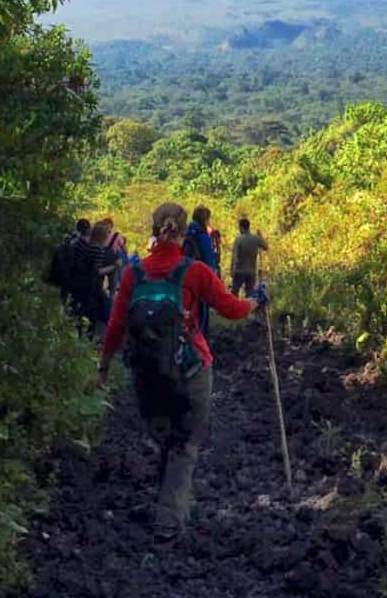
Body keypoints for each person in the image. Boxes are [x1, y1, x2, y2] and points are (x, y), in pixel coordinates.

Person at [96, 202, 268, 542]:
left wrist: (103, 368)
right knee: (185, 446)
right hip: (190, 369)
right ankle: (169, 520)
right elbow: (232, 309)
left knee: (164, 439)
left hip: (147, 374)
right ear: (183, 229)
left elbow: (115, 325)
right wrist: (256, 301)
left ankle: (170, 502)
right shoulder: (196, 272)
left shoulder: (134, 273)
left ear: (154, 228)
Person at [183, 206, 221, 338]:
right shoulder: (203, 236)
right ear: (205, 219)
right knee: (202, 312)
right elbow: (210, 262)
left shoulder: (186, 233)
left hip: (184, 278)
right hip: (200, 278)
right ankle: (201, 342)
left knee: (189, 312)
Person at [45, 218, 91, 317]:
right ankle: (68, 318)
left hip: (64, 272)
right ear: (87, 229)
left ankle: (60, 317)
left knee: (64, 297)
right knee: (73, 301)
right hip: (74, 275)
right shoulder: (83, 243)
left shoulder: (68, 238)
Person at [230, 217, 269, 297]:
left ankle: (234, 309)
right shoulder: (255, 238)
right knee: (250, 294)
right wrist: (260, 236)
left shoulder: (239, 239)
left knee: (234, 293)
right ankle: (248, 309)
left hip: (239, 270)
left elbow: (234, 256)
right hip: (251, 271)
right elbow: (266, 247)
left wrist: (232, 269)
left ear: (241, 227)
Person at [97, 217, 128, 296]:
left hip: (101, 261)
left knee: (99, 284)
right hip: (112, 262)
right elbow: (124, 249)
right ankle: (111, 303)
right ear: (112, 226)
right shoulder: (117, 235)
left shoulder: (98, 235)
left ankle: (102, 300)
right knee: (113, 286)